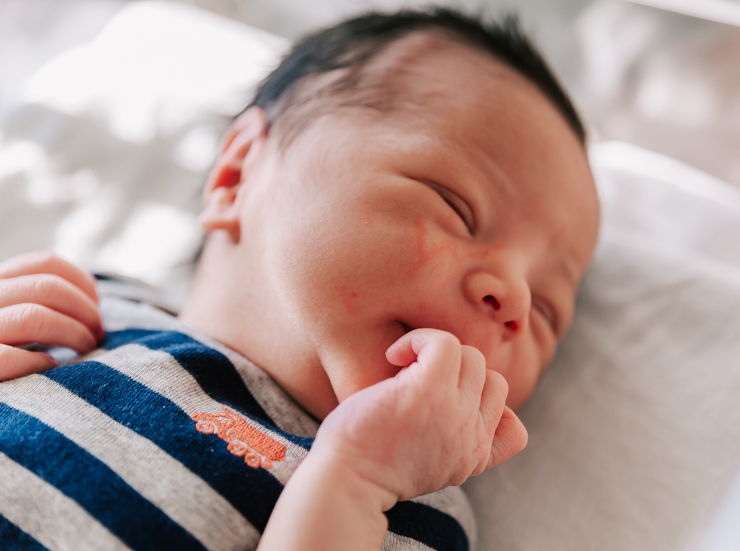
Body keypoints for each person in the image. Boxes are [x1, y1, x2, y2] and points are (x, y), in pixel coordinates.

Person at [0, 8, 599, 551]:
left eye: (546, 312)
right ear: (237, 175)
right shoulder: (82, 316)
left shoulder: (408, 513)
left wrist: (356, 480)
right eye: (456, 206)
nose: (514, 296)